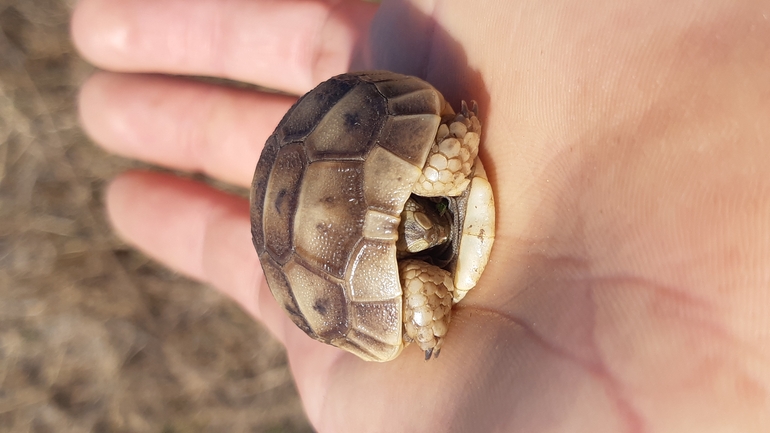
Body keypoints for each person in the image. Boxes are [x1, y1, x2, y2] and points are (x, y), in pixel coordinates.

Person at [72, 0, 770, 431]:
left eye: (420, 224)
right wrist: (425, 314)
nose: (429, 230)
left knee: (439, 165)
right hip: (358, 255)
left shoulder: (433, 188)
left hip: (368, 153)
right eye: (420, 230)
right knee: (426, 269)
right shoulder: (416, 276)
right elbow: (419, 291)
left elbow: (444, 160)